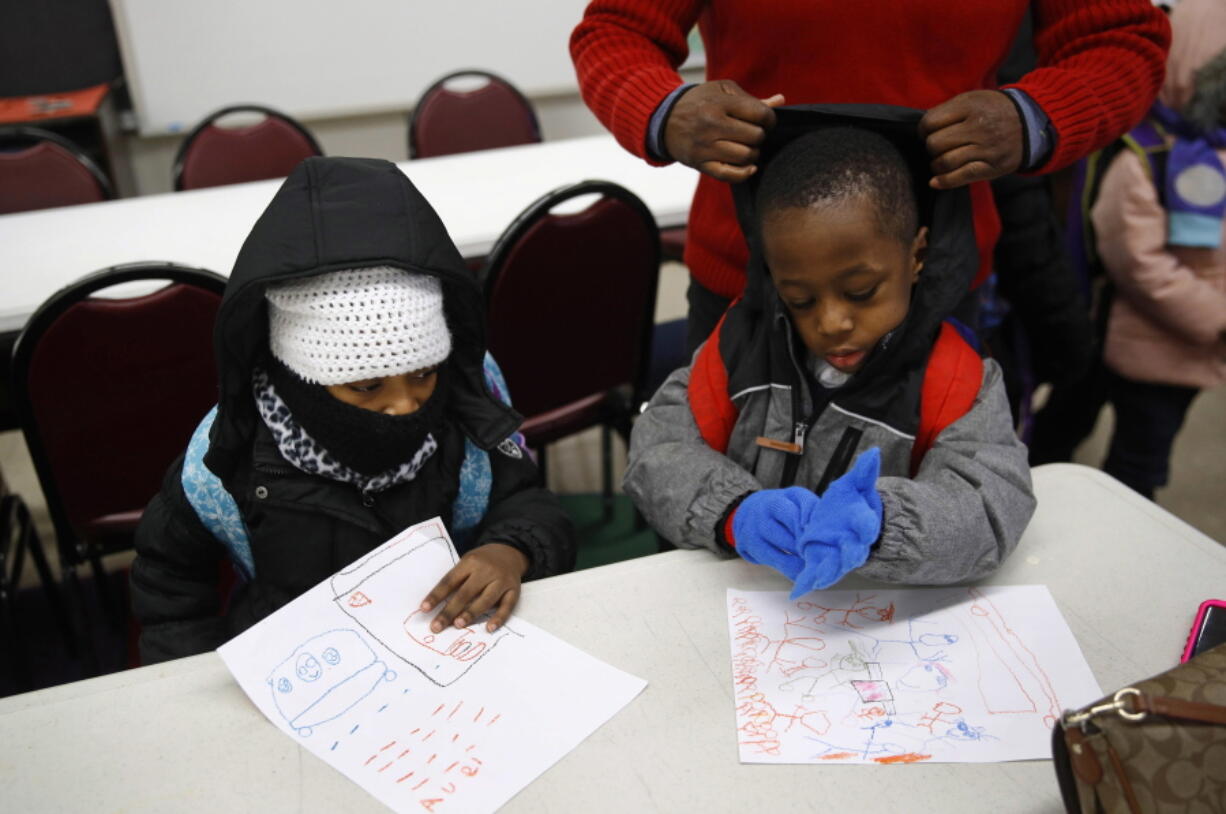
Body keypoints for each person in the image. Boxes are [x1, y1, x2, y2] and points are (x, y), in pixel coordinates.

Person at [131, 157, 575, 663]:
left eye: (424, 374)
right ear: (300, 378)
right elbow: (168, 582)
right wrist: (195, 674)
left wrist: (510, 549)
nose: (405, 406)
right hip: (296, 666)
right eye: (367, 387)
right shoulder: (225, 461)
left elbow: (530, 501)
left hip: (442, 657)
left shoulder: (465, 423)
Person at [570, 0, 1171, 353]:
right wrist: (662, 110)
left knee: (932, 508)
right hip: (750, 276)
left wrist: (1037, 116)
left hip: (935, 270)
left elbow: (1120, 40)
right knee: (720, 515)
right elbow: (617, 28)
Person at [623, 112, 1034, 594]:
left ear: (916, 256)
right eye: (799, 299)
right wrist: (735, 512)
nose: (832, 323)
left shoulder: (958, 381)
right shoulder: (739, 349)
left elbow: (990, 506)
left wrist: (884, 524)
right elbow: (658, 449)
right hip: (752, 606)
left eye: (861, 292)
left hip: (887, 624)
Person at [1034, 0, 1226, 499]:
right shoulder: (1148, 157)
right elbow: (1134, 258)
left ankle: (1126, 529)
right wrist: (1216, 315)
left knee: (1146, 457)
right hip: (1131, 340)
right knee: (1071, 431)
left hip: (1192, 357)